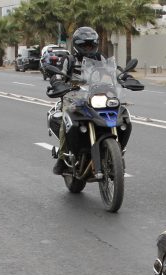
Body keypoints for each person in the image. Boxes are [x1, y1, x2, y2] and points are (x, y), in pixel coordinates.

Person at [51, 26, 104, 175]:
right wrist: (57, 82)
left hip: (95, 96)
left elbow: (113, 70)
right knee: (65, 123)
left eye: (91, 45)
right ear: (77, 45)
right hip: (73, 98)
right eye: (85, 45)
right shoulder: (69, 60)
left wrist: (124, 76)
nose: (88, 48)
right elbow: (58, 75)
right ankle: (62, 158)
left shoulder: (99, 59)